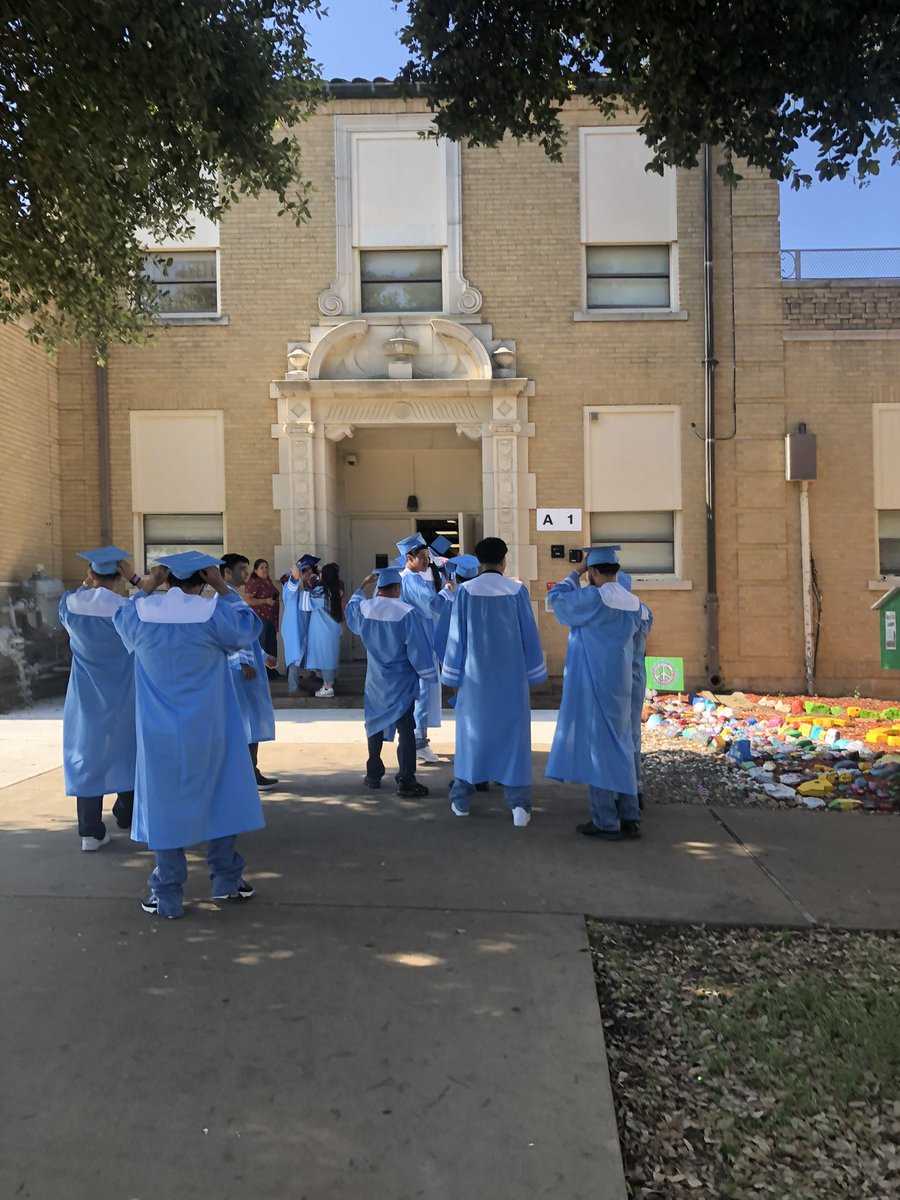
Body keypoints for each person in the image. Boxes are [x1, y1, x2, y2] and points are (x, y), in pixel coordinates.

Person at [113, 552, 266, 919]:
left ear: (166, 580)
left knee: (163, 805)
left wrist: (144, 586)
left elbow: (121, 616)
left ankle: (167, 894)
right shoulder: (213, 615)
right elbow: (250, 627)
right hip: (210, 726)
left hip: (158, 732)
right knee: (221, 796)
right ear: (204, 579)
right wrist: (223, 587)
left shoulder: (141, 618)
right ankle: (226, 881)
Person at [441, 537, 547, 826]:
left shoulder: (465, 592)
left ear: (478, 562)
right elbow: (529, 636)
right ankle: (519, 807)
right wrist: (535, 673)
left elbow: (456, 639)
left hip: (475, 683)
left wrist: (451, 676)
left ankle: (461, 800)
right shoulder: (517, 591)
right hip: (511, 683)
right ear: (503, 561)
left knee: (471, 740)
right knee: (513, 741)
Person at [546, 546, 643, 840]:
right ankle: (630, 815)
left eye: (589, 571)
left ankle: (605, 820)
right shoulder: (634, 603)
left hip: (593, 683)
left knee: (599, 750)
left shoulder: (594, 598)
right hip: (622, 683)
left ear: (594, 571)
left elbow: (556, 600)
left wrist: (575, 572)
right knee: (623, 746)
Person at [59, 545, 138, 851]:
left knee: (88, 754)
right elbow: (144, 610)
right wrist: (132, 579)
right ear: (118, 575)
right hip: (123, 690)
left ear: (90, 573)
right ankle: (126, 813)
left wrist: (87, 583)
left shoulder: (70, 606)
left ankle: (89, 831)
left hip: (86, 694)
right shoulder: (126, 609)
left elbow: (69, 602)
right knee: (128, 748)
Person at [345, 565, 436, 797]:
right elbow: (417, 649)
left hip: (375, 678)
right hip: (401, 680)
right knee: (406, 728)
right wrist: (428, 673)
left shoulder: (365, 608)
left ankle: (373, 773)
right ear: (398, 587)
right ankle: (406, 779)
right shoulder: (406, 612)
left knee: (374, 724)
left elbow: (350, 608)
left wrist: (363, 584)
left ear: (379, 587)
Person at [221, 553, 278, 790]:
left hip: (250, 665)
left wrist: (263, 656)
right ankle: (247, 772)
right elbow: (232, 636)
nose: (246, 573)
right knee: (247, 722)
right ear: (227, 572)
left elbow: (248, 634)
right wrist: (242, 662)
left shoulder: (233, 596)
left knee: (251, 721)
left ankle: (250, 770)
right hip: (241, 671)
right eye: (242, 569)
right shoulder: (224, 599)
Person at [397, 533, 443, 763]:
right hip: (420, 642)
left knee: (415, 693)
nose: (427, 561)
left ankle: (414, 741)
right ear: (409, 558)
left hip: (411, 641)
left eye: (428, 557)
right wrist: (449, 592)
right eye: (423, 557)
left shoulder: (402, 580)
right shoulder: (412, 581)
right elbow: (432, 605)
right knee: (423, 692)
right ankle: (418, 743)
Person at [619, 571, 654, 809]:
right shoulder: (644, 611)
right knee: (633, 734)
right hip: (637, 676)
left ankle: (617, 789)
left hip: (614, 678)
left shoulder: (610, 610)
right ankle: (635, 787)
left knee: (613, 736)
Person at [305, 561, 344, 698]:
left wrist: (305, 582)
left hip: (321, 631)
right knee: (330, 657)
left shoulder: (319, 592)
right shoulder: (336, 591)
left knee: (323, 657)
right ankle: (328, 684)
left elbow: (305, 604)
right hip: (333, 629)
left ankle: (328, 687)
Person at [282, 553, 320, 694]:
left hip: (305, 625)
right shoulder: (289, 586)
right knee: (295, 657)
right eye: (307, 572)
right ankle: (293, 688)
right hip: (293, 626)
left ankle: (303, 684)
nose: (310, 575)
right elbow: (294, 583)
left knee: (304, 655)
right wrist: (295, 570)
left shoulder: (308, 588)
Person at [243, 558, 280, 677]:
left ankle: (272, 672)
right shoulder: (254, 582)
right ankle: (262, 672)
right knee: (262, 645)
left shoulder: (268, 582)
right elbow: (248, 600)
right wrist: (265, 601)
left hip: (270, 618)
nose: (265, 569)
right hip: (259, 618)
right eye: (261, 567)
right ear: (255, 570)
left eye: (266, 567)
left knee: (271, 644)